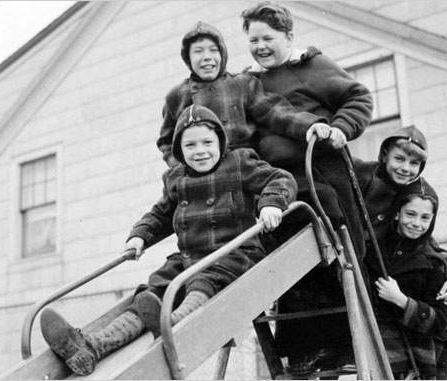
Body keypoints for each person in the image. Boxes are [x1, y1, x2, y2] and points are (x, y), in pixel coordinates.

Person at [40, 105, 298, 376]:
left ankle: (174, 324)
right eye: (190, 145)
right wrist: (140, 235)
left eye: (207, 142)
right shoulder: (177, 178)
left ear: (220, 142)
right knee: (152, 291)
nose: (200, 151)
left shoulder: (240, 163)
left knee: (203, 279)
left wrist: (271, 204)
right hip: (189, 257)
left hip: (233, 253)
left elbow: (280, 179)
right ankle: (91, 347)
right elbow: (161, 213)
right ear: (180, 150)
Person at [240, 2, 373, 374]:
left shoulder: (310, 67)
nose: (261, 46)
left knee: (336, 254)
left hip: (321, 173)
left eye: (268, 38)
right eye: (254, 39)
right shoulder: (248, 83)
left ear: (288, 37)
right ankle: (301, 351)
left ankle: (345, 345)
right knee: (289, 263)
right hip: (278, 183)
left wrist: (340, 129)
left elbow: (359, 97)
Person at [157, 20, 331, 168]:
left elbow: (275, 112)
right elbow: (166, 142)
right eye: (198, 51)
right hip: (201, 177)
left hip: (245, 170)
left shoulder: (242, 84)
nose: (207, 57)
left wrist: (309, 126)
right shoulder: (177, 96)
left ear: (222, 54)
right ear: (187, 58)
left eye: (213, 50)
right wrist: (182, 167)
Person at [354, 125, 447, 306]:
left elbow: (425, 239)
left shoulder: (408, 194)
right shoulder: (362, 174)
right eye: (399, 159)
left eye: (414, 163)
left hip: (371, 271)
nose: (405, 168)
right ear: (385, 155)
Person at [365, 177, 447, 379]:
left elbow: (439, 320)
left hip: (414, 359)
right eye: (410, 214)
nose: (416, 224)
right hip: (374, 349)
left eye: (425, 217)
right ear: (396, 214)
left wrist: (401, 301)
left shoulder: (433, 263)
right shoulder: (371, 247)